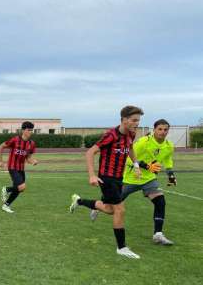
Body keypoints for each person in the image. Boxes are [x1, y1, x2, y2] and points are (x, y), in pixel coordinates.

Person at [69, 106, 144, 259]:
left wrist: (136, 165)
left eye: (138, 120)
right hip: (106, 177)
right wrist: (92, 175)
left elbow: (130, 148)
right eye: (134, 120)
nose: (136, 123)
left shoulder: (131, 134)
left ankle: (79, 201)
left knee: (110, 210)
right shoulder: (111, 135)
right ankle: (121, 248)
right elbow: (90, 152)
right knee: (120, 210)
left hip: (118, 178)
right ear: (123, 120)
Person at [90, 119, 176, 245]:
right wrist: (146, 166)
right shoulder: (144, 142)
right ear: (154, 130)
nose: (163, 132)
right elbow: (128, 158)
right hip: (130, 179)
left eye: (165, 129)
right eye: (160, 129)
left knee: (160, 202)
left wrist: (171, 175)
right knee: (111, 207)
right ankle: (98, 206)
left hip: (149, 179)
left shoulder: (169, 146)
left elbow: (168, 160)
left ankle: (158, 234)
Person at [0, 121, 38, 214]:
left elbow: (28, 158)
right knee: (22, 186)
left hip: (21, 168)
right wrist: (0, 161)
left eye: (32, 130)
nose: (30, 132)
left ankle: (6, 197)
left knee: (20, 189)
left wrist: (33, 162)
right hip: (12, 167)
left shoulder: (31, 143)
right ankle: (6, 200)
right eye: (29, 130)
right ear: (23, 130)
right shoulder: (15, 140)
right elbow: (1, 146)